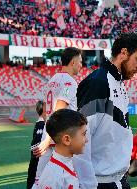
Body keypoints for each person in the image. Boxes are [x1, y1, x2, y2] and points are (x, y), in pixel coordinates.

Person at [74, 32, 137, 189]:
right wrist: (87, 184)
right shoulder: (99, 82)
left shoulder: (118, 82)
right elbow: (80, 137)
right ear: (123, 53)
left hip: (118, 178)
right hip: (99, 182)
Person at [32, 47, 82, 187]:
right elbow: (60, 108)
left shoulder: (52, 80)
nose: (81, 65)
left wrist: (47, 137)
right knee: (69, 181)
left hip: (49, 136)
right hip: (62, 139)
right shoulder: (69, 82)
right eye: (80, 61)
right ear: (72, 62)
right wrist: (49, 138)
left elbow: (47, 110)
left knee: (40, 180)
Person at [36, 109, 88, 189]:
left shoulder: (66, 163)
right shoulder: (53, 177)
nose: (87, 140)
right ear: (67, 140)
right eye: (83, 134)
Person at [26, 101, 46, 189]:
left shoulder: (39, 123)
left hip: (36, 158)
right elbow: (37, 145)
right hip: (37, 158)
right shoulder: (42, 124)